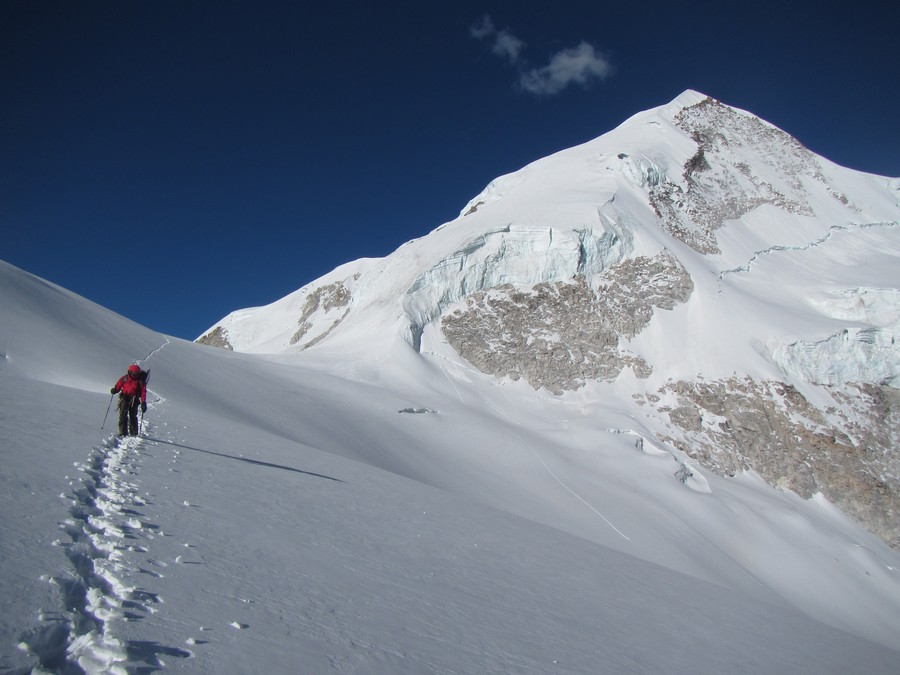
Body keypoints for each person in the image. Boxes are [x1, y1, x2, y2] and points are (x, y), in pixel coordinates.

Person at [111, 364, 148, 436]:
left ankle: (133, 433)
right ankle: (123, 432)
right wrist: (115, 390)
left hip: (135, 399)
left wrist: (143, 402)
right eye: (132, 373)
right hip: (125, 398)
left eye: (136, 373)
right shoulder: (125, 378)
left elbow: (143, 392)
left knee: (133, 416)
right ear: (129, 372)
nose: (134, 375)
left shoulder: (140, 381)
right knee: (123, 415)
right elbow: (119, 385)